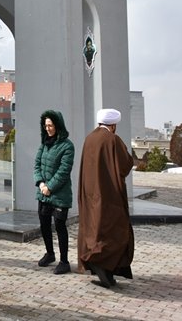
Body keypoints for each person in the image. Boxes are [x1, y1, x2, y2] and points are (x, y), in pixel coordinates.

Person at [77, 108, 134, 288]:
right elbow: (125, 165)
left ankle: (99, 266)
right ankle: (103, 267)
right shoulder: (112, 140)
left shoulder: (89, 139)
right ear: (113, 125)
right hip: (108, 195)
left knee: (93, 228)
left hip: (89, 194)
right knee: (114, 231)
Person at [33, 110, 75, 275]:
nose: (48, 128)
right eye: (46, 125)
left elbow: (64, 171)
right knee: (44, 224)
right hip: (43, 193)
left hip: (59, 195)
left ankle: (64, 261)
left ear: (58, 125)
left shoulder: (67, 146)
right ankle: (49, 253)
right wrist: (41, 183)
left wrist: (50, 187)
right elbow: (37, 165)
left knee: (59, 226)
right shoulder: (44, 144)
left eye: (50, 125)